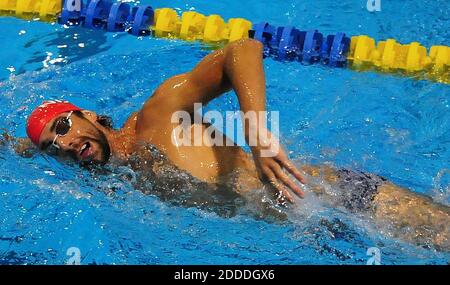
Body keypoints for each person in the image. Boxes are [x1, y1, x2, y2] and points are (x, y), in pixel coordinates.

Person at [3, 39, 449, 251]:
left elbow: (242, 50)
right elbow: (22, 148)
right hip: (319, 231)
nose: (63, 143)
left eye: (64, 125)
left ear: (91, 116)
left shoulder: (157, 118)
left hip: (347, 199)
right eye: (51, 145)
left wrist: (257, 134)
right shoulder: (110, 174)